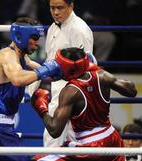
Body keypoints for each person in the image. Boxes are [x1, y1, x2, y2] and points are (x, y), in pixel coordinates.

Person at [0, 17, 61, 161]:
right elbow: (18, 78)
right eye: (34, 38)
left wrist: (61, 69)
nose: (37, 43)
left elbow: (42, 72)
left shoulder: (22, 57)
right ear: (21, 36)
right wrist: (46, 71)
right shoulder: (7, 55)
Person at [31, 47, 137, 161]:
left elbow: (55, 130)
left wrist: (41, 108)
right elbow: (132, 91)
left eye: (60, 64)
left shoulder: (70, 92)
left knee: (37, 160)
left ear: (68, 68)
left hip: (90, 148)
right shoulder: (102, 76)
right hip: (112, 139)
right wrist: (97, 69)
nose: (57, 67)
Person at [43, 0, 97, 147]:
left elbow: (86, 67)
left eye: (60, 8)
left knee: (59, 140)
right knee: (57, 140)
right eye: (52, 8)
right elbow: (49, 62)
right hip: (57, 92)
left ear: (71, 5)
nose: (55, 12)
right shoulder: (52, 29)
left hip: (73, 93)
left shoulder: (79, 29)